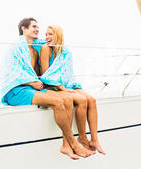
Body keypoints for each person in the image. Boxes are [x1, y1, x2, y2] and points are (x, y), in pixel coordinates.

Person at [0, 17, 95, 160]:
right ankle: (73, 143)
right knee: (58, 102)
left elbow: (37, 71)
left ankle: (66, 145)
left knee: (67, 99)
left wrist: (37, 82)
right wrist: (31, 83)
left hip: (31, 88)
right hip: (16, 90)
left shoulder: (35, 51)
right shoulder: (16, 48)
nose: (37, 29)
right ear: (23, 29)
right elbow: (12, 72)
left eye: (38, 27)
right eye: (33, 27)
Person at [39, 25, 106, 155]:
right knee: (81, 100)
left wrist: (72, 86)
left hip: (67, 84)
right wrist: (61, 87)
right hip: (52, 85)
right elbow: (45, 74)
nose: (47, 37)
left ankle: (94, 139)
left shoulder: (66, 52)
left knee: (91, 99)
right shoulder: (45, 48)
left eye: (50, 34)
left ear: (58, 35)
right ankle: (82, 137)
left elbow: (68, 73)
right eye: (46, 34)